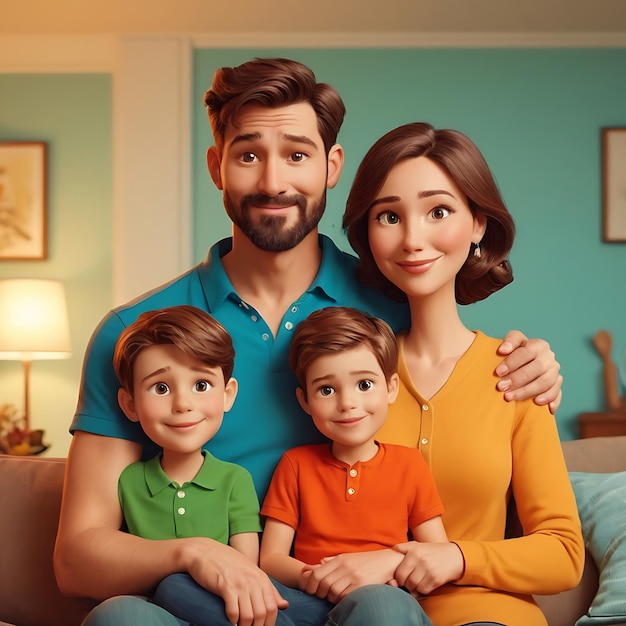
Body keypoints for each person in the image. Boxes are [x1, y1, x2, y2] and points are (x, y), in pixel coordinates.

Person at [53, 58, 563, 626]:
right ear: (217, 167)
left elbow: (460, 365)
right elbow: (76, 559)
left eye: (297, 155)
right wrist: (195, 552)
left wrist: (529, 360)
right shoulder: (136, 331)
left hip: (364, 597)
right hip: (203, 606)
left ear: (332, 166)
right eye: (248, 156)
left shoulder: (395, 306)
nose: (274, 182)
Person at [342, 121, 584, 625]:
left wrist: (456, 556)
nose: (413, 239)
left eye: (439, 211)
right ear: (366, 231)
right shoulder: (346, 381)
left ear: (477, 224)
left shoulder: (517, 376)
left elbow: (564, 554)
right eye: (389, 216)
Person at [155, 306, 446, 626]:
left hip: (381, 597)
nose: (347, 403)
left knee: (381, 603)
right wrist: (316, 577)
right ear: (304, 400)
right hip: (305, 600)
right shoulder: (297, 464)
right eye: (326, 390)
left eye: (364, 385)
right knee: (175, 586)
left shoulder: (409, 464)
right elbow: (272, 559)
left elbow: (435, 553)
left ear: (390, 388)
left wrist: (386, 573)